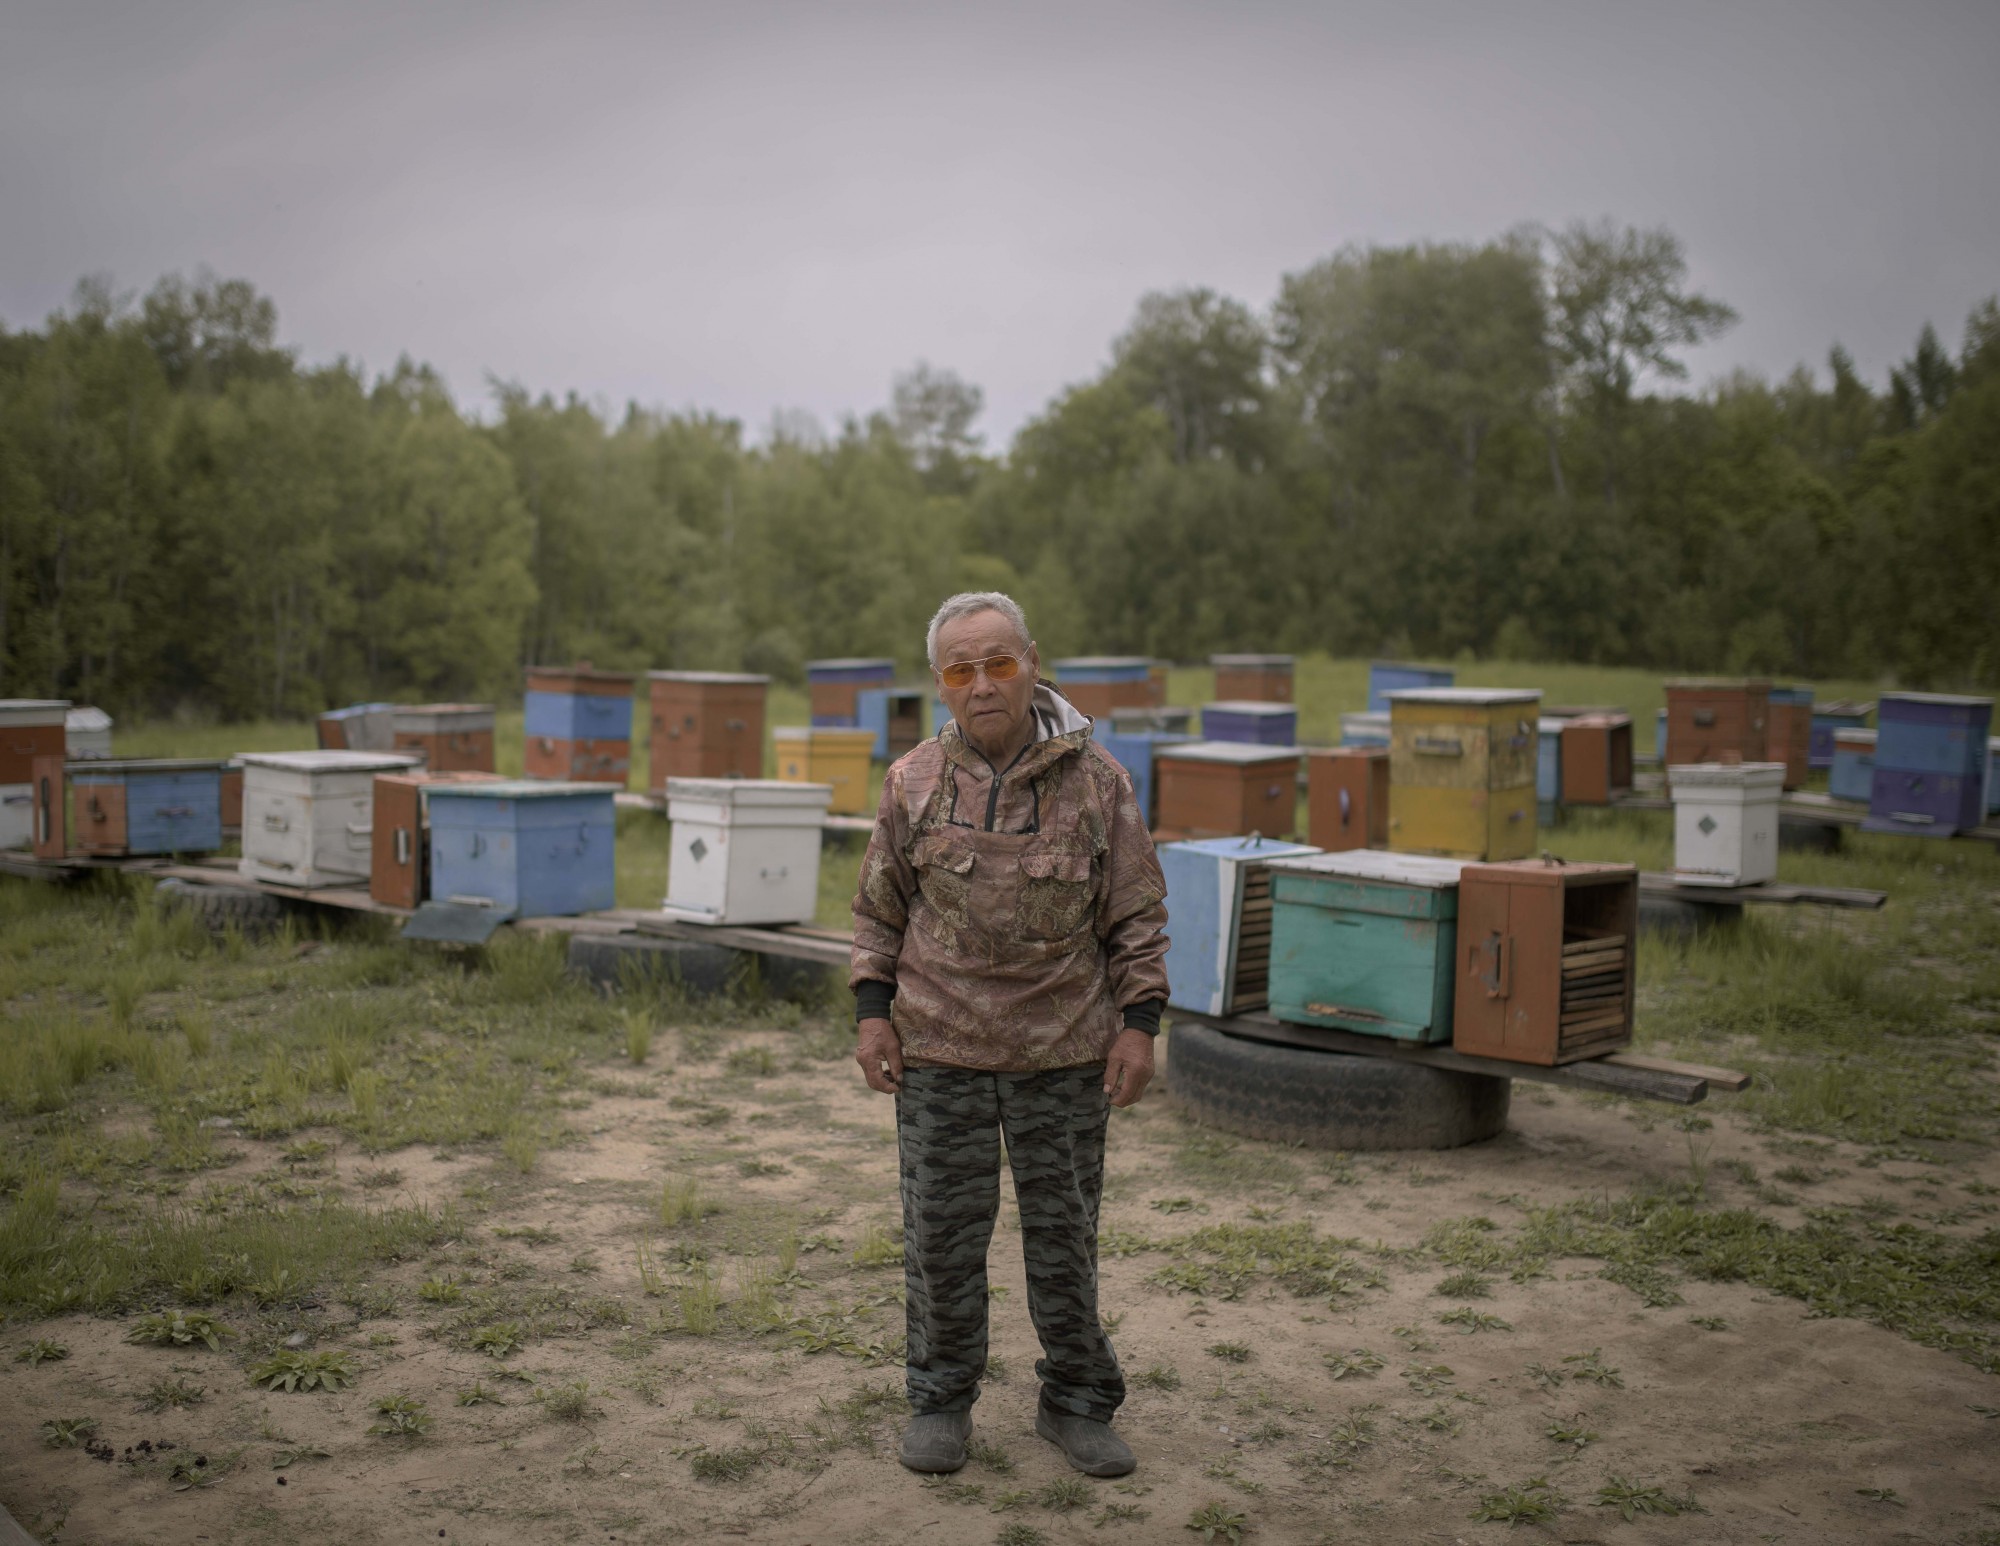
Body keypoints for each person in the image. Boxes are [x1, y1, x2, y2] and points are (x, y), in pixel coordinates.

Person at [849, 591, 1169, 1479]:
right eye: (961, 669)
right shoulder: (911, 780)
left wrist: (1138, 1028)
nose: (982, 683)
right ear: (940, 684)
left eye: (998, 662)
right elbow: (879, 910)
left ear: (1032, 662)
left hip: (1063, 1052)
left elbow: (1137, 916)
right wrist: (872, 1013)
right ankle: (941, 1400)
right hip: (938, 1051)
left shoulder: (1101, 782)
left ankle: (1075, 1402)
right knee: (941, 1239)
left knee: (1066, 1237)